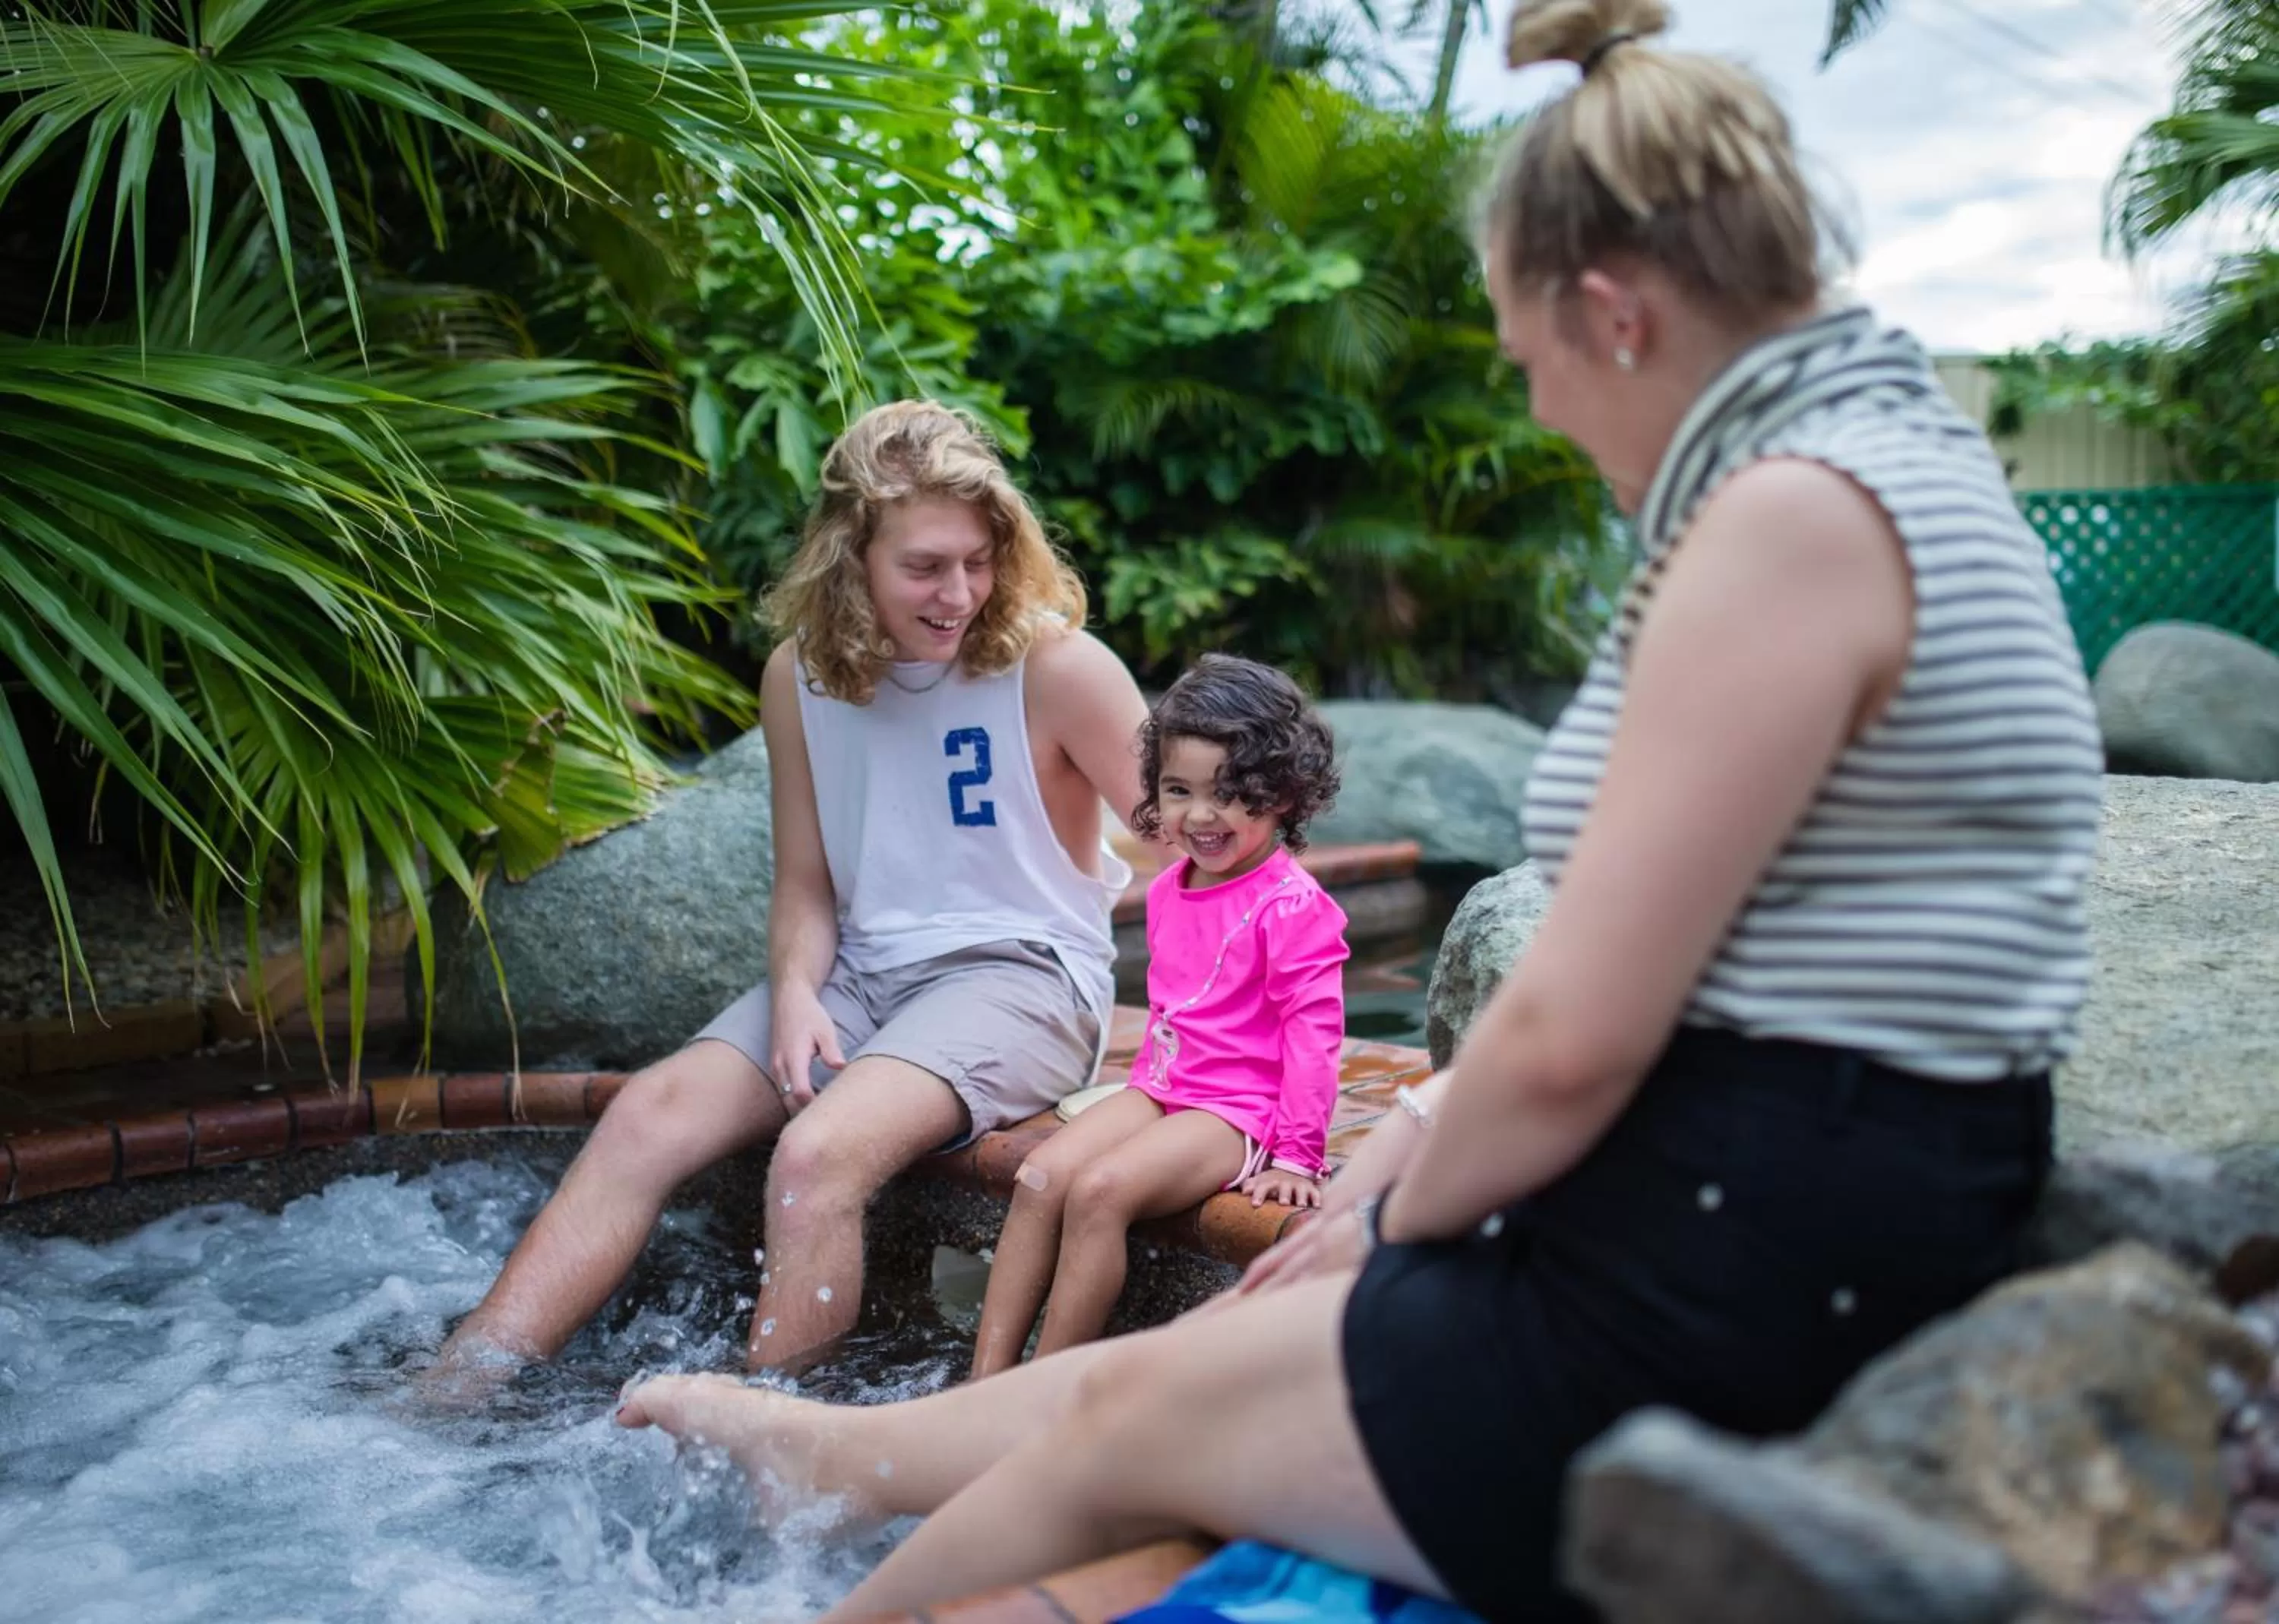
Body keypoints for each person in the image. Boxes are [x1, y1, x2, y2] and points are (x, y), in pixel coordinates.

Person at [610, 2, 2104, 1617]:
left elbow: (1575, 1041)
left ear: (1613, 315)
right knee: (1156, 1391)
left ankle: (831, 1475)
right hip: (1757, 1190)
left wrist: (1383, 1223)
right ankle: (833, 1455)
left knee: (1143, 1417)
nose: (1541, 410)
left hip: (1743, 1257)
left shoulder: (1791, 519)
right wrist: (1410, 1167)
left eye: (1528, 361)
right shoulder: (1880, 465)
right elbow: (1673, 973)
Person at [438, 399, 1152, 1377]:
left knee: (814, 1157)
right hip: (861, 975)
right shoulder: (801, 677)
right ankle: (454, 1391)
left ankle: (768, 1452)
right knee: (645, 1115)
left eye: (978, 561)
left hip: (1022, 977)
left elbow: (1206, 843)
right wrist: (798, 994)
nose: (959, 592)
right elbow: (808, 884)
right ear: (852, 556)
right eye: (925, 566)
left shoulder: (1057, 668)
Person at [967, 654, 1349, 1380]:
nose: (1199, 816)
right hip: (1165, 1089)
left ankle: (1045, 1391)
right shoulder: (1173, 887)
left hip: (1238, 1112)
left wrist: (1298, 1156)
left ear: (1283, 793)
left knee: (1102, 1192)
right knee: (1042, 1177)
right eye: (1179, 791)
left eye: (1229, 794)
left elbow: (1315, 1040)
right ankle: (983, 1382)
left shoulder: (1292, 907)